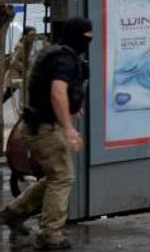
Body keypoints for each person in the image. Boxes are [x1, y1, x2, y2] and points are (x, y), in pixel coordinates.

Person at [0, 18, 93, 250]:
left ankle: (13, 213)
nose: (89, 42)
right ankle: (50, 233)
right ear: (78, 36)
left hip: (34, 124)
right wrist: (69, 127)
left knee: (54, 176)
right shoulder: (64, 58)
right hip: (44, 127)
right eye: (88, 37)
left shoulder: (53, 53)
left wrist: (73, 108)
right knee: (62, 176)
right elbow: (57, 92)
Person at [3, 27, 37, 104]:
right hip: (17, 75)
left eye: (34, 35)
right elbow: (13, 61)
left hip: (23, 75)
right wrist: (25, 68)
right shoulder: (20, 47)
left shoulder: (29, 45)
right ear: (25, 35)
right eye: (31, 34)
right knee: (9, 93)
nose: (33, 37)